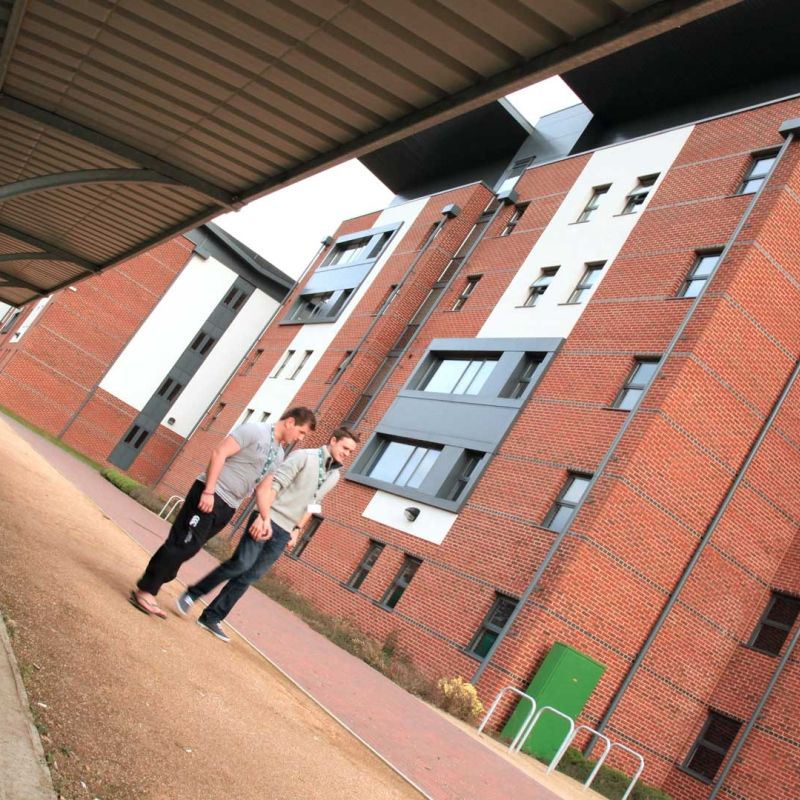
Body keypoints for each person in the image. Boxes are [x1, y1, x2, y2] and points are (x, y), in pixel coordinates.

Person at [129, 406, 317, 618]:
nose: (300, 439)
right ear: (290, 422)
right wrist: (208, 491)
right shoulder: (254, 431)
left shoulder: (279, 454)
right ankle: (146, 590)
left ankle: (155, 582)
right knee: (183, 544)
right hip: (211, 494)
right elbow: (219, 453)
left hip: (229, 506)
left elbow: (264, 489)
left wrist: (265, 518)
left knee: (191, 548)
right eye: (301, 432)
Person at [177, 426, 360, 641]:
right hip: (267, 518)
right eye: (345, 448)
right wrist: (263, 517)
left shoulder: (334, 476)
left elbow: (314, 504)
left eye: (350, 452)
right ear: (333, 440)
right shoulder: (304, 456)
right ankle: (192, 594)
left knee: (250, 576)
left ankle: (211, 617)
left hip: (285, 531)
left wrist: (297, 530)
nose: (347, 454)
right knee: (241, 564)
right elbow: (273, 486)